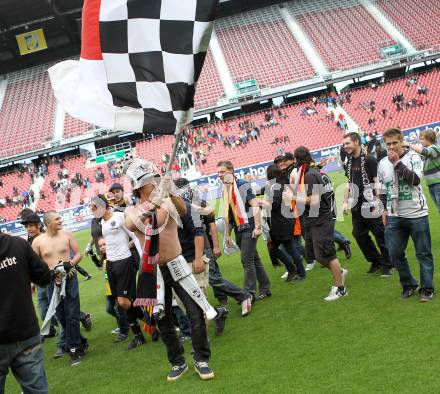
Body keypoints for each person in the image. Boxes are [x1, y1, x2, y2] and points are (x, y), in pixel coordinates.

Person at [124, 158, 215, 381]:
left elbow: (183, 210)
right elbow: (135, 225)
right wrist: (149, 208)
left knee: (195, 313)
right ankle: (177, 362)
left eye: (156, 179)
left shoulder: (167, 201)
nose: (154, 182)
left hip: (177, 264)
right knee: (162, 319)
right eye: (150, 180)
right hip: (154, 272)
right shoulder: (132, 211)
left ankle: (202, 359)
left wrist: (170, 191)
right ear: (139, 186)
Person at [0, 232, 62, 393]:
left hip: (24, 333)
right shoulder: (18, 244)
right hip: (25, 331)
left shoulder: (18, 244)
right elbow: (43, 277)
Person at [378, 128, 435, 301]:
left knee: (423, 253)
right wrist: (384, 209)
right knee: (394, 253)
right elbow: (381, 189)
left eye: (395, 142)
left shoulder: (413, 157)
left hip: (417, 213)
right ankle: (409, 284)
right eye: (388, 144)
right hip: (395, 216)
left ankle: (427, 289)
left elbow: (415, 180)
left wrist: (397, 163)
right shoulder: (382, 163)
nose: (392, 147)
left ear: (402, 141)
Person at [31, 211, 88, 366]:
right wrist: (43, 278)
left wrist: (70, 264)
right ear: (48, 222)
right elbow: (34, 265)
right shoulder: (38, 242)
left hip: (69, 279)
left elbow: (78, 254)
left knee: (71, 315)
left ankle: (74, 350)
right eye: (57, 219)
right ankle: (81, 341)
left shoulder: (67, 234)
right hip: (51, 283)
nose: (60, 220)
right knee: (61, 317)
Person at [90, 195, 145, 350]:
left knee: (123, 302)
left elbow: (135, 236)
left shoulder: (120, 217)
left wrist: (142, 259)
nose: (91, 210)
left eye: (93, 207)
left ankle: (149, 323)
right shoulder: (101, 222)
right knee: (124, 302)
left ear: (101, 206)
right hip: (111, 264)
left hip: (124, 262)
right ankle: (141, 333)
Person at [293, 147, 348, 301]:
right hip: (313, 220)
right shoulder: (309, 173)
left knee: (328, 254)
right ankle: (339, 272)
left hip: (321, 220)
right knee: (317, 255)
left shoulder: (310, 175)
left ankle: (340, 289)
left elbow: (315, 200)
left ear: (298, 160)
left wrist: (293, 197)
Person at [217, 160, 271, 301]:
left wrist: (258, 227)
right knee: (254, 259)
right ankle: (265, 288)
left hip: (249, 227)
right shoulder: (225, 189)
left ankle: (249, 294)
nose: (219, 175)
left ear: (231, 171)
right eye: (218, 172)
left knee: (246, 261)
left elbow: (254, 205)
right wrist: (227, 235)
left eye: (222, 172)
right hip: (239, 229)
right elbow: (226, 215)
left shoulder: (241, 184)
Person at [343, 132, 393, 276]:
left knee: (379, 234)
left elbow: (377, 182)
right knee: (358, 234)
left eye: (347, 143)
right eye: (344, 144)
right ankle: (376, 261)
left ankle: (389, 263)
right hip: (357, 203)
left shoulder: (370, 160)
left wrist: (378, 202)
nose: (345, 146)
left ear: (357, 142)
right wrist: (345, 201)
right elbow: (349, 183)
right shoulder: (349, 161)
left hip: (370, 202)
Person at [263, 164, 305, 282]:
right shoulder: (281, 183)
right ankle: (294, 270)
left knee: (283, 248)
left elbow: (275, 204)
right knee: (280, 248)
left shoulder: (276, 186)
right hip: (285, 220)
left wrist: (262, 203)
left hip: (281, 222)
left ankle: (297, 271)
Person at [20, 211, 57, 339]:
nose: (28, 229)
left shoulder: (46, 239)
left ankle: (80, 317)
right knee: (44, 311)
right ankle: (50, 330)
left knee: (57, 309)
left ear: (39, 226)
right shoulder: (29, 240)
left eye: (31, 225)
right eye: (26, 226)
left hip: (50, 278)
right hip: (39, 282)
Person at [93, 236, 129, 342]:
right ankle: (125, 322)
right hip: (109, 290)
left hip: (117, 288)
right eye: (100, 246)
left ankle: (124, 331)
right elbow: (101, 268)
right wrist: (94, 259)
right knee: (109, 309)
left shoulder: (115, 257)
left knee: (119, 310)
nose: (102, 247)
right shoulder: (104, 257)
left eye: (104, 244)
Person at [403, 129, 440, 213]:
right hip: (432, 184)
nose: (420, 141)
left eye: (422, 139)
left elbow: (424, 152)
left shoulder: (435, 148)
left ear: (428, 139)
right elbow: (421, 154)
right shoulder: (430, 149)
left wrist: (409, 144)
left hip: (438, 183)